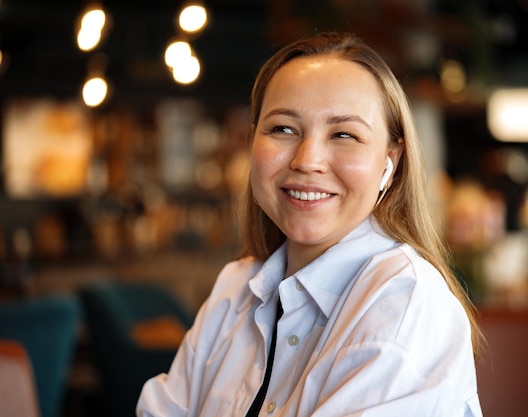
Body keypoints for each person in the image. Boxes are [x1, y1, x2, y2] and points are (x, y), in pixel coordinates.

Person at [137, 32, 483, 417]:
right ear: (252, 144)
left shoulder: (405, 304)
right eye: (283, 129)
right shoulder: (235, 289)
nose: (307, 160)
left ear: (390, 162)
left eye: (344, 134)